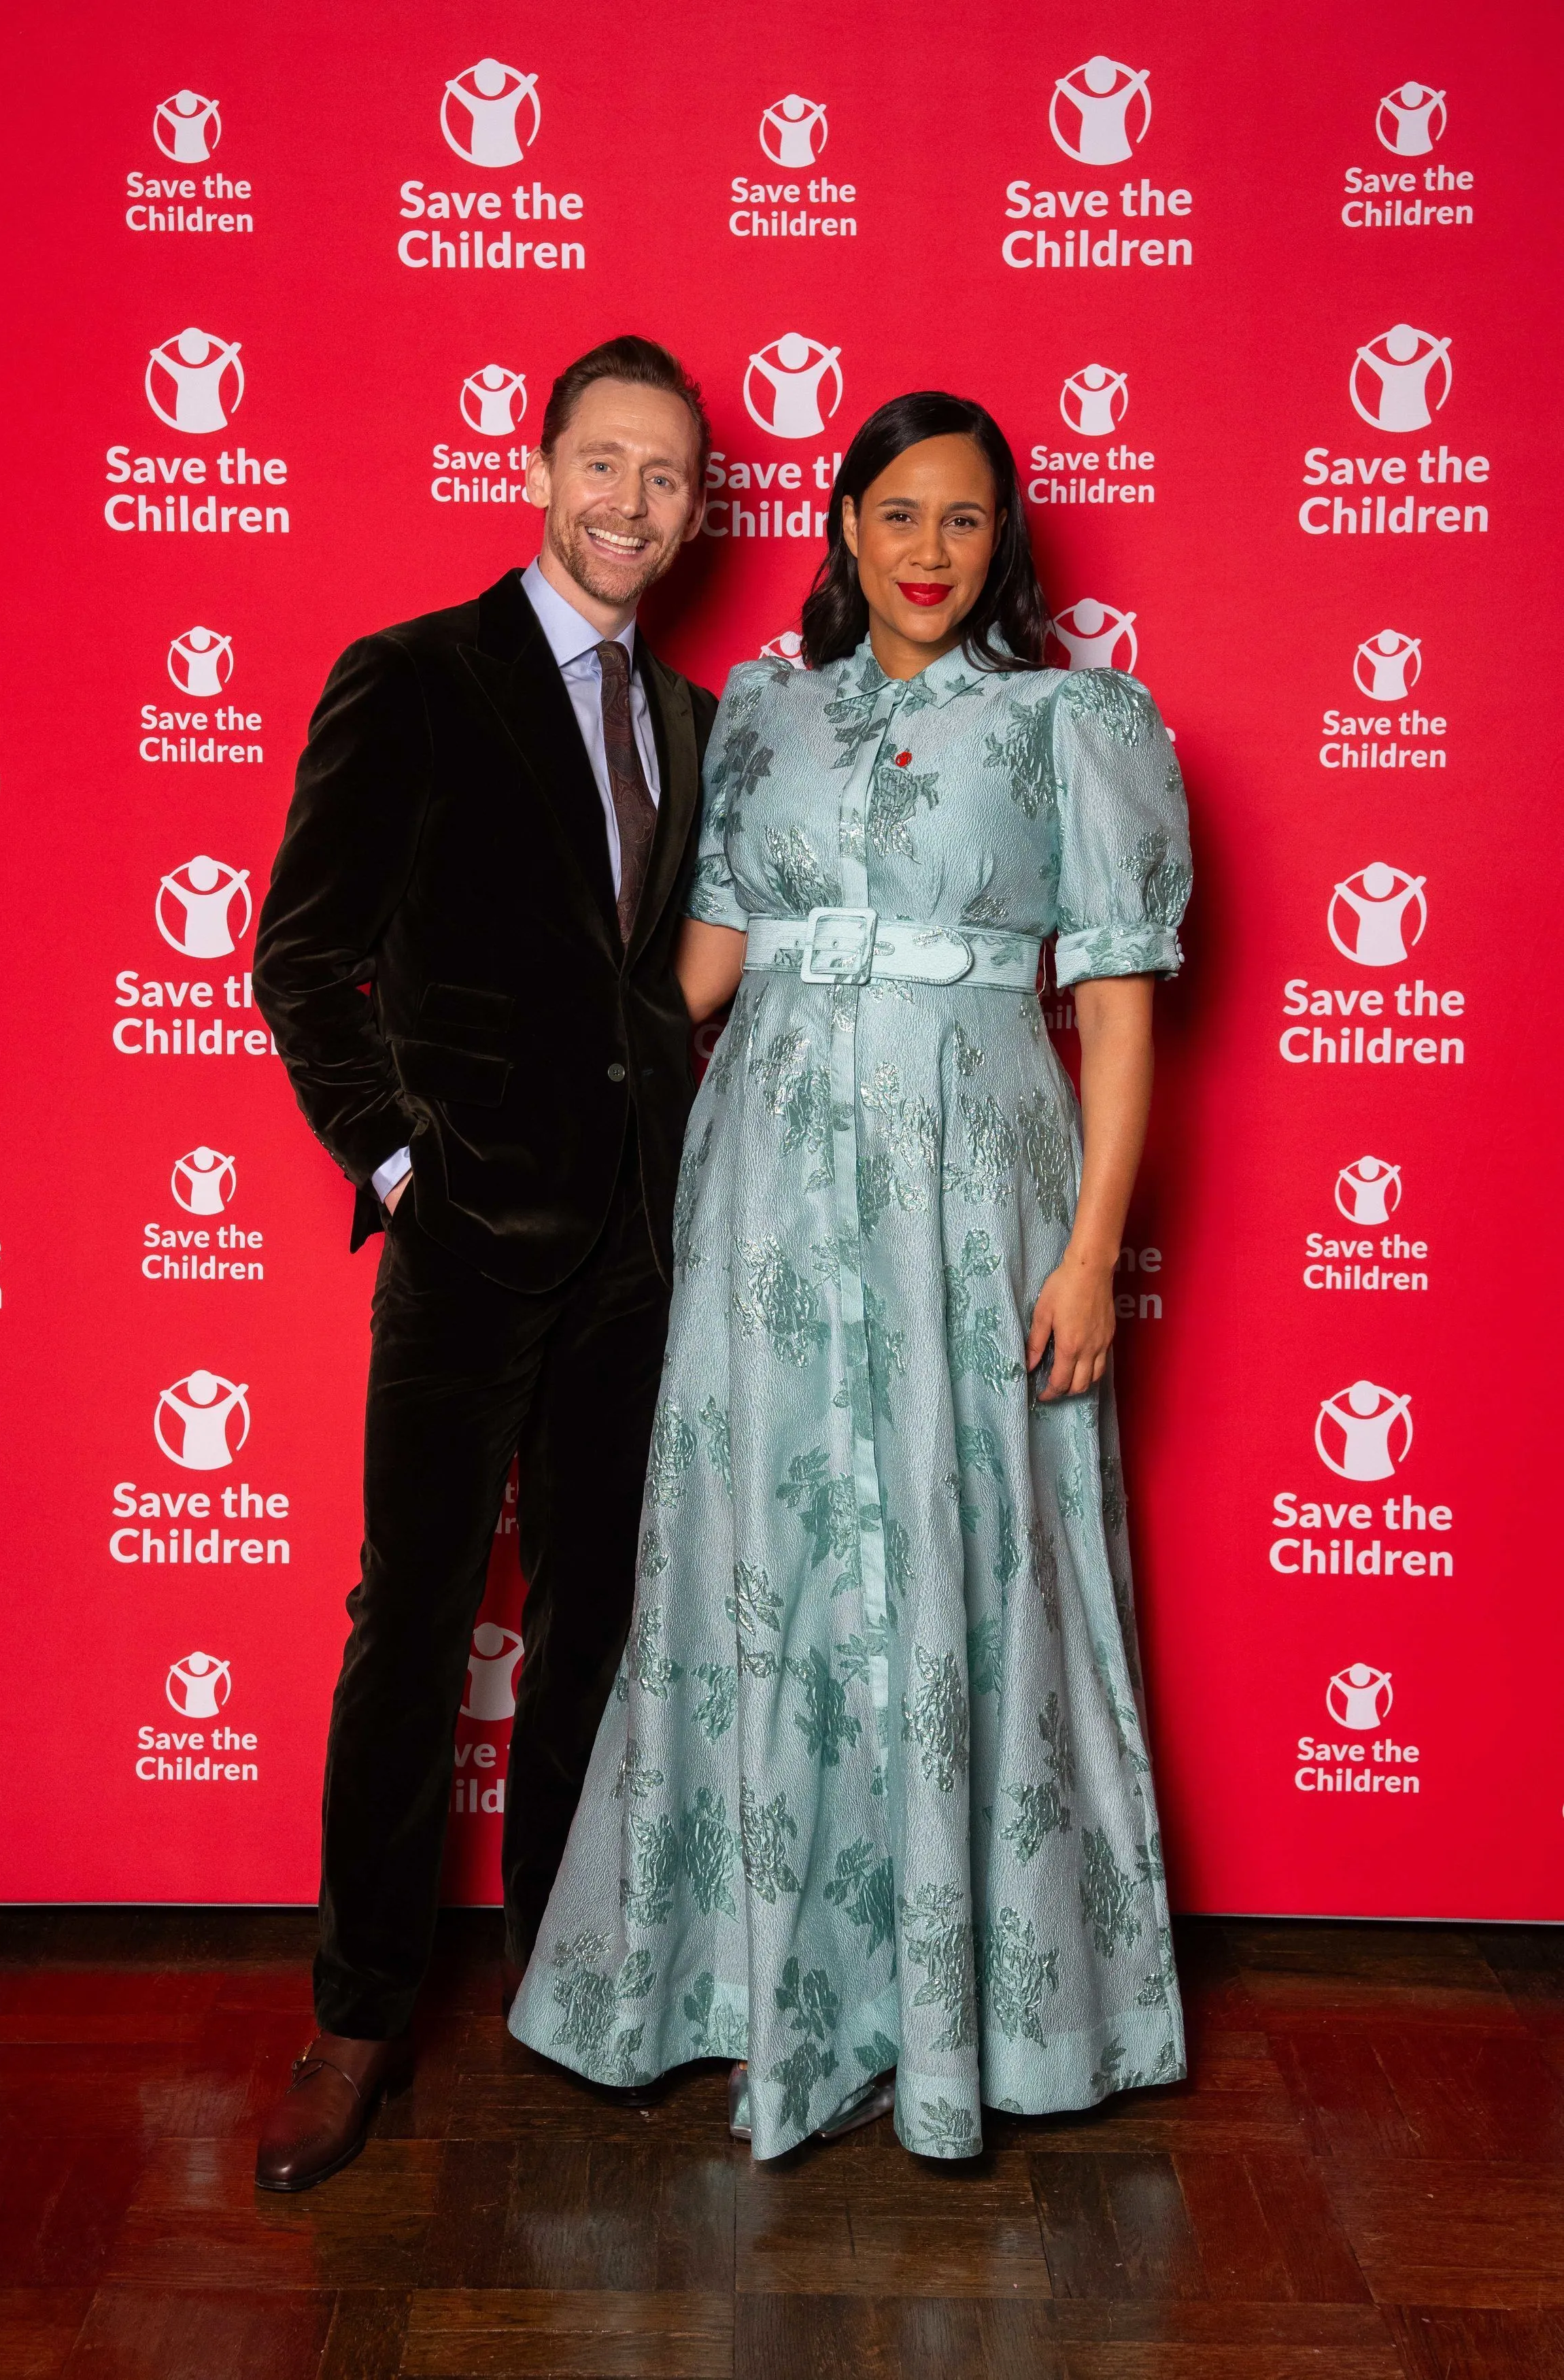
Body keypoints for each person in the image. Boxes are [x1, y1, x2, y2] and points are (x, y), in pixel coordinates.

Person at [511, 390, 1192, 2159]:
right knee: (768, 1566)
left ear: (1002, 543)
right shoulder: (765, 717)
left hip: (981, 1202)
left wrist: (1092, 1245)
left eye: (962, 521)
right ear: (841, 527)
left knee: (966, 1557)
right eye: (894, 514)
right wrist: (516, 1096)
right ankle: (732, 1988)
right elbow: (700, 973)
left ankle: (981, 2013)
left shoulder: (1074, 721)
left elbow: (1115, 1004)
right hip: (766, 1205)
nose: (925, 552)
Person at [248, 338, 715, 2192]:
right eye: (603, 462)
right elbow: (302, 947)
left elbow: (658, 987)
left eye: (667, 476)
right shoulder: (418, 675)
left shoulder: (685, 717)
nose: (631, 502)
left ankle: (561, 1973)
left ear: (695, 508)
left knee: (594, 1624)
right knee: (411, 1627)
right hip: (465, 1242)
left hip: (635, 1253)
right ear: (539, 467)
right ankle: (357, 2014)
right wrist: (395, 1157)